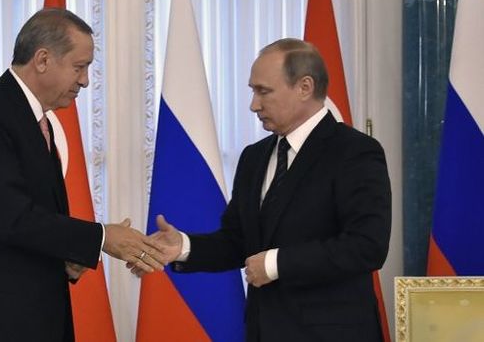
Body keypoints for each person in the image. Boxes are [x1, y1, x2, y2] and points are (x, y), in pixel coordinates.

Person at [0, 8, 164, 342]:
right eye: (79, 67)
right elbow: (12, 218)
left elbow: (25, 224)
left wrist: (62, 259)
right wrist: (102, 237)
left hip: (23, 317)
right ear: (43, 59)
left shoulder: (36, 122)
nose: (85, 81)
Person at [147, 38, 391, 341]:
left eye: (263, 91)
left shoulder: (354, 152)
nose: (254, 105)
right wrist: (183, 247)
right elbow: (239, 241)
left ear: (304, 87)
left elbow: (367, 246)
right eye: (253, 91)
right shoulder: (255, 156)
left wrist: (277, 264)